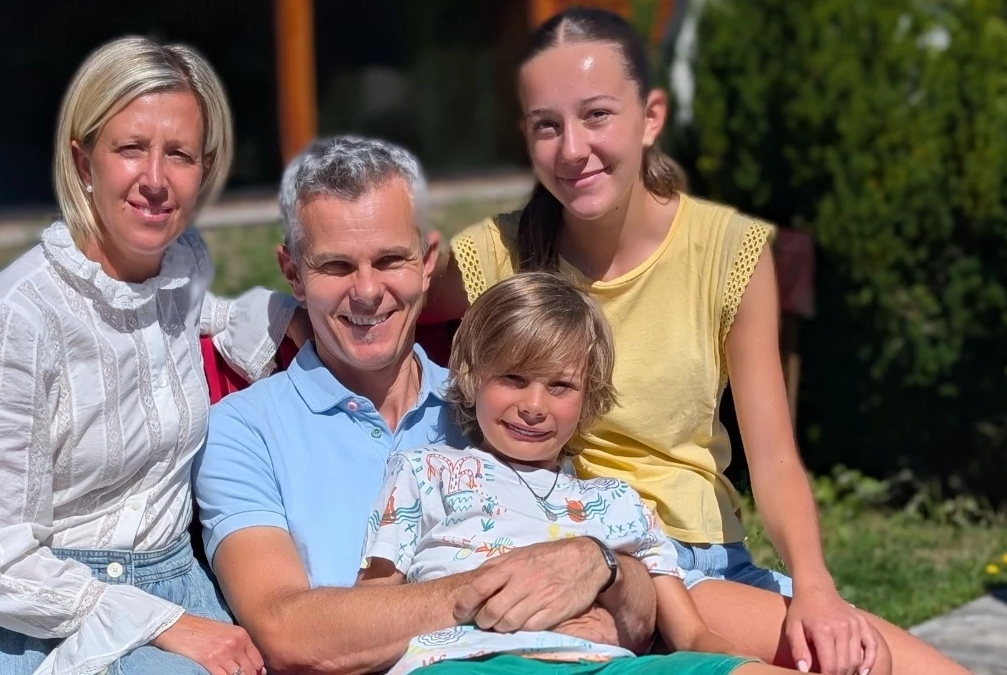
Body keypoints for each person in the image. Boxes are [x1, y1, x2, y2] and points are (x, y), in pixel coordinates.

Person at [422, 8, 968, 675]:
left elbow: (773, 458)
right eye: (548, 125)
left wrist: (816, 589)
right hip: (616, 564)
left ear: (650, 117)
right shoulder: (497, 254)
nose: (571, 149)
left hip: (714, 556)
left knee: (902, 665)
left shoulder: (727, 250)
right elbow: (378, 294)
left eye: (597, 116)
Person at [194, 136, 659, 675]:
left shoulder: (498, 405)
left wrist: (600, 565)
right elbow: (288, 633)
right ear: (294, 274)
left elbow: (623, 594)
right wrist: (505, 590)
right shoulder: (242, 428)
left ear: (428, 260)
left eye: (391, 259)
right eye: (336, 266)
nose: (367, 291)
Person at [0, 36, 299, 675]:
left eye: (179, 154)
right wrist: (167, 624)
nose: (155, 180)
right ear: (83, 161)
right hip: (45, 615)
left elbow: (194, 314)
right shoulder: (20, 317)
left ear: (204, 168)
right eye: (130, 148)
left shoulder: (177, 266)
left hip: (177, 584)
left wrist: (303, 315)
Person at [361, 271, 839, 675]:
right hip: (470, 660)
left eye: (560, 386)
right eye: (513, 378)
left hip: (603, 664)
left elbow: (691, 635)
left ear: (589, 396)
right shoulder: (427, 471)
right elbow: (373, 607)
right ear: (470, 374)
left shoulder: (617, 502)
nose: (534, 405)